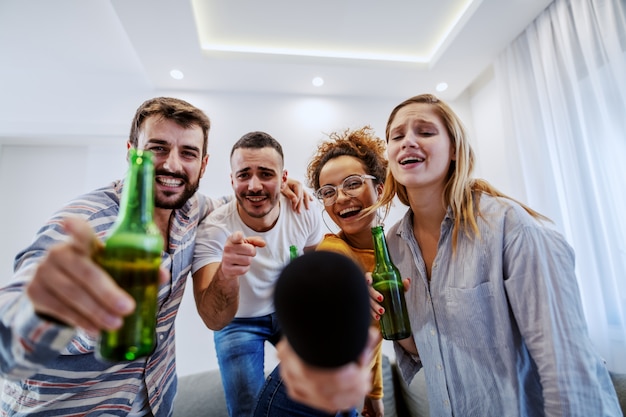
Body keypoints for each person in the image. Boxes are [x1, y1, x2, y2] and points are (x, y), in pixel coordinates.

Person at [273, 93, 623, 416]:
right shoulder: (395, 246)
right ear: (392, 158)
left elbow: (570, 371)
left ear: (454, 148)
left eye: (424, 131)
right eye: (397, 136)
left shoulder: (511, 228)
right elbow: (423, 353)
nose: (408, 140)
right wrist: (382, 311)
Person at [0, 97, 307, 416]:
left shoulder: (194, 210)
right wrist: (48, 309)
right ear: (132, 152)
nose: (172, 165)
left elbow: (241, 201)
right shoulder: (87, 224)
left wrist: (280, 187)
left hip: (154, 405)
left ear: (202, 164)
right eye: (157, 148)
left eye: (188, 153)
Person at [253, 126, 388, 417]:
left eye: (352, 183)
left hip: (344, 394)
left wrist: (373, 395)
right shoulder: (333, 252)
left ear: (379, 187)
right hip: (294, 401)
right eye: (328, 191)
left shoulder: (394, 254)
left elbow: (372, 338)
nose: (339, 198)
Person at [191, 131, 324, 417]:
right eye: (244, 175)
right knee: (247, 410)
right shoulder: (214, 228)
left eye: (266, 174)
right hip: (237, 322)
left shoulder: (304, 208)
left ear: (283, 176)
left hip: (289, 312)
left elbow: (314, 264)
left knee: (331, 384)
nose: (254, 185)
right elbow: (214, 318)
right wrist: (227, 272)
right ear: (232, 180)